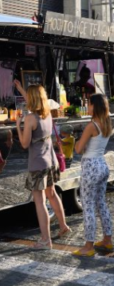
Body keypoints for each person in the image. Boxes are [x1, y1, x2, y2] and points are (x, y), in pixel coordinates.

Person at [16, 83, 70, 250]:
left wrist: (19, 125)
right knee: (52, 194)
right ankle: (63, 226)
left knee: (39, 201)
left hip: (38, 163)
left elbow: (25, 144)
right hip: (50, 160)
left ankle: (45, 240)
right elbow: (35, 102)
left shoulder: (30, 118)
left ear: (31, 99)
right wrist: (21, 90)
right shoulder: (47, 114)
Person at [72, 94, 114, 257]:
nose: (87, 108)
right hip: (102, 165)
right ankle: (107, 239)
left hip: (90, 166)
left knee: (88, 206)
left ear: (94, 106)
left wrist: (76, 141)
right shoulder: (107, 122)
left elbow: (78, 149)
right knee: (101, 204)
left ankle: (88, 246)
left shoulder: (92, 125)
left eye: (89, 105)